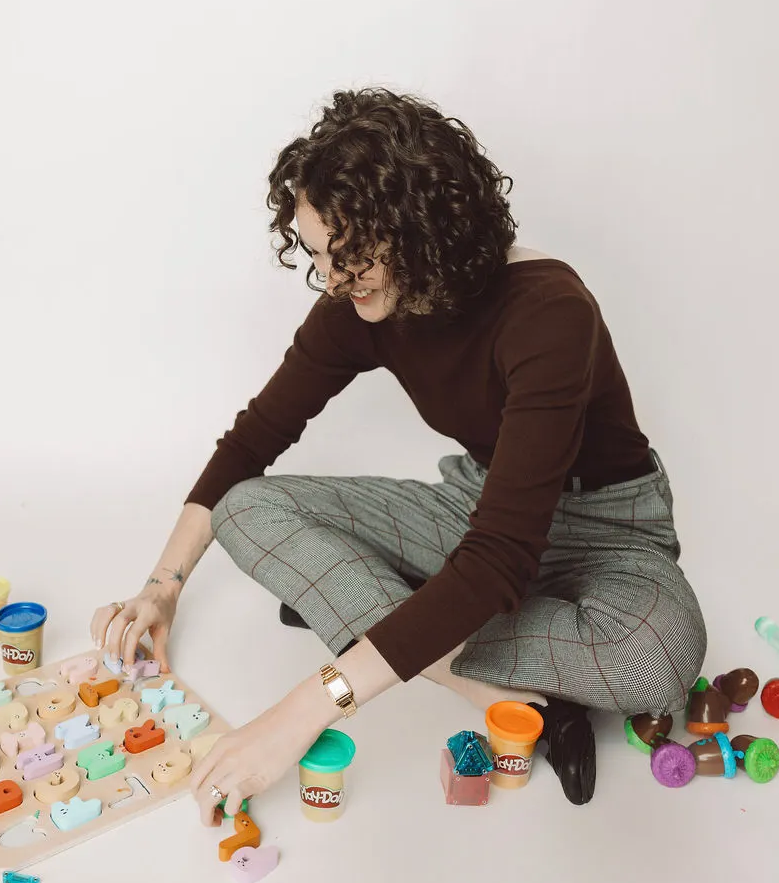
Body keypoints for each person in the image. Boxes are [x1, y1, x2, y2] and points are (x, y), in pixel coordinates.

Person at [91, 89, 706, 813]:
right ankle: (483, 685)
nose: (333, 279)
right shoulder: (357, 307)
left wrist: (295, 717)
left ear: (423, 229)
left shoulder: (549, 313)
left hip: (605, 533)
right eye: (320, 257)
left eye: (350, 256)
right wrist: (161, 588)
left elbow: (500, 558)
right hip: (473, 505)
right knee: (246, 509)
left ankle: (375, 614)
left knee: (657, 656)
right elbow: (254, 440)